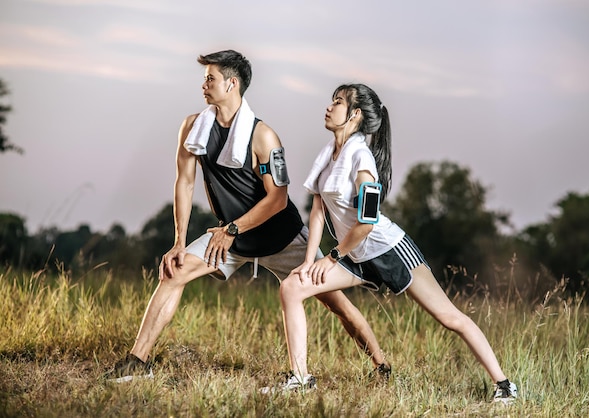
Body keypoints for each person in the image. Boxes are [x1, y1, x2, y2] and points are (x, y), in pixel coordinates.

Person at [103, 51, 390, 383]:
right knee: (174, 272)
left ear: (232, 83)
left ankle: (381, 366)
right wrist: (179, 241)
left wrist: (233, 228)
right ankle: (137, 364)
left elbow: (279, 199)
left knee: (335, 303)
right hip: (230, 238)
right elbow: (184, 182)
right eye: (205, 78)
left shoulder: (264, 137)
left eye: (211, 78)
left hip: (279, 238)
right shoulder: (193, 127)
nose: (204, 85)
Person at [276, 83, 518, 403]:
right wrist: (309, 261)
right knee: (292, 287)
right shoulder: (327, 155)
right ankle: (300, 377)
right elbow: (318, 210)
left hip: (388, 250)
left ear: (355, 115)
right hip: (353, 253)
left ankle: (505, 385)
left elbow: (367, 223)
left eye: (337, 102)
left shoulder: (361, 160)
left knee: (449, 318)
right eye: (331, 101)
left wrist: (331, 257)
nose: (329, 107)